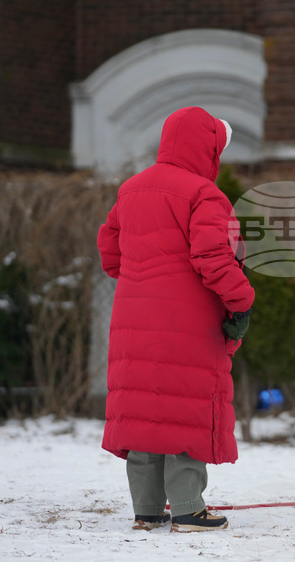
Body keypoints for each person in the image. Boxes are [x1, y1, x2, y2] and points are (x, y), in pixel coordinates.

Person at [97, 106, 255, 533]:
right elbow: (212, 258)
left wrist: (144, 279)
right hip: (187, 323)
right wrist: (242, 300)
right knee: (185, 408)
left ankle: (147, 511)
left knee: (146, 411)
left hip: (133, 320)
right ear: (207, 150)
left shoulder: (131, 189)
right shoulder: (204, 194)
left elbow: (109, 252)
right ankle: (187, 509)